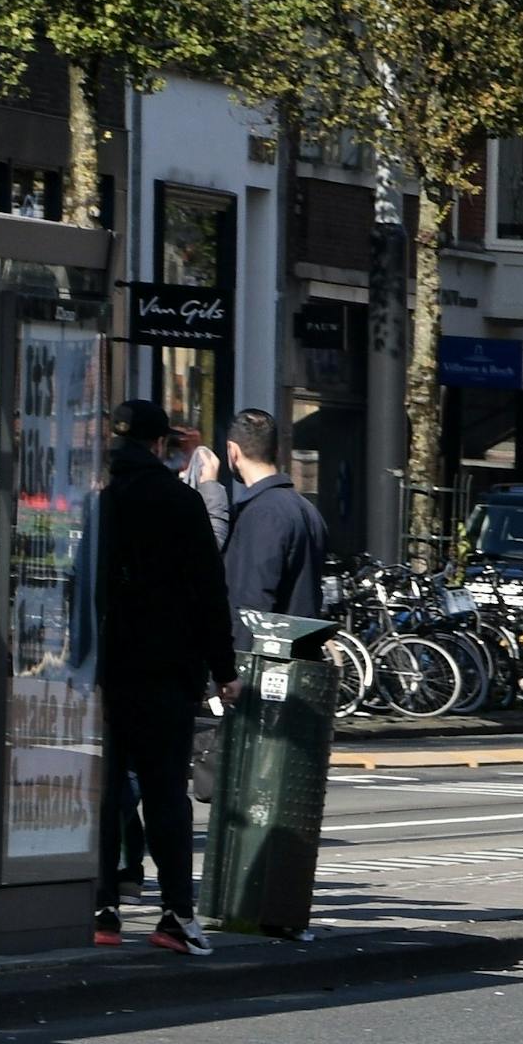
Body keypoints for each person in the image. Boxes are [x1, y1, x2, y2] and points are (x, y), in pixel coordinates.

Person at [83, 396, 232, 955]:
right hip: (167, 669)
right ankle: (174, 915)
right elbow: (208, 591)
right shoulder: (182, 501)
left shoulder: (98, 501)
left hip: (105, 668)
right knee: (166, 791)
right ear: (158, 443)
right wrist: (224, 669)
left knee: (107, 789)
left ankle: (103, 909)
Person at [215, 410, 326, 620]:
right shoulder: (308, 510)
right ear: (277, 450)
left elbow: (252, 603)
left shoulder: (262, 513)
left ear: (233, 451)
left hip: (265, 650)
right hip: (301, 647)